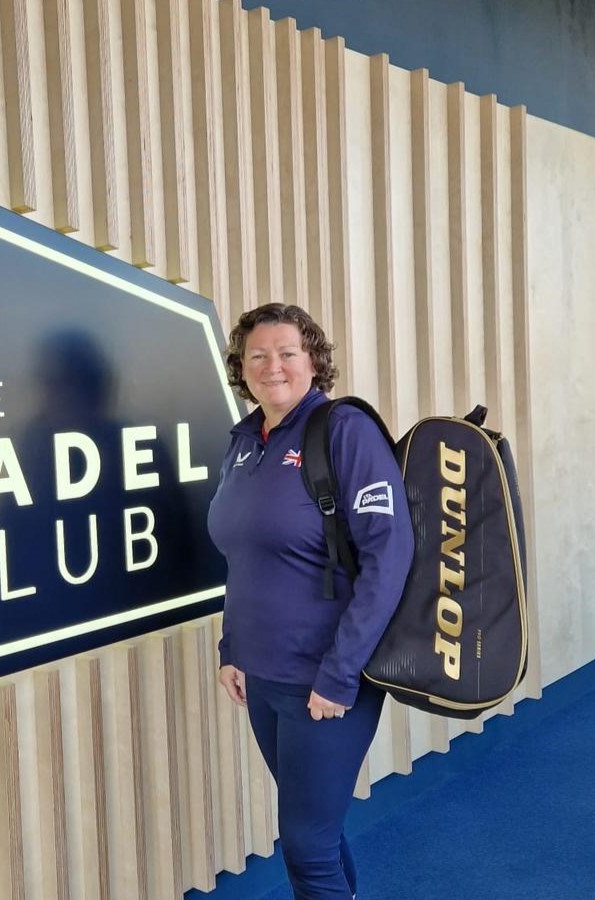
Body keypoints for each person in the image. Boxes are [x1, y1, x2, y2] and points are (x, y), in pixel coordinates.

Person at [208, 303, 413, 900]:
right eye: (257, 355)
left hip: (325, 679)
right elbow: (244, 557)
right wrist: (231, 647)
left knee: (306, 843)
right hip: (262, 675)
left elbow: (388, 556)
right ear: (241, 368)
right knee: (314, 829)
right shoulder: (246, 442)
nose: (272, 366)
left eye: (287, 352)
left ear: (314, 361)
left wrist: (341, 673)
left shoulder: (344, 431)